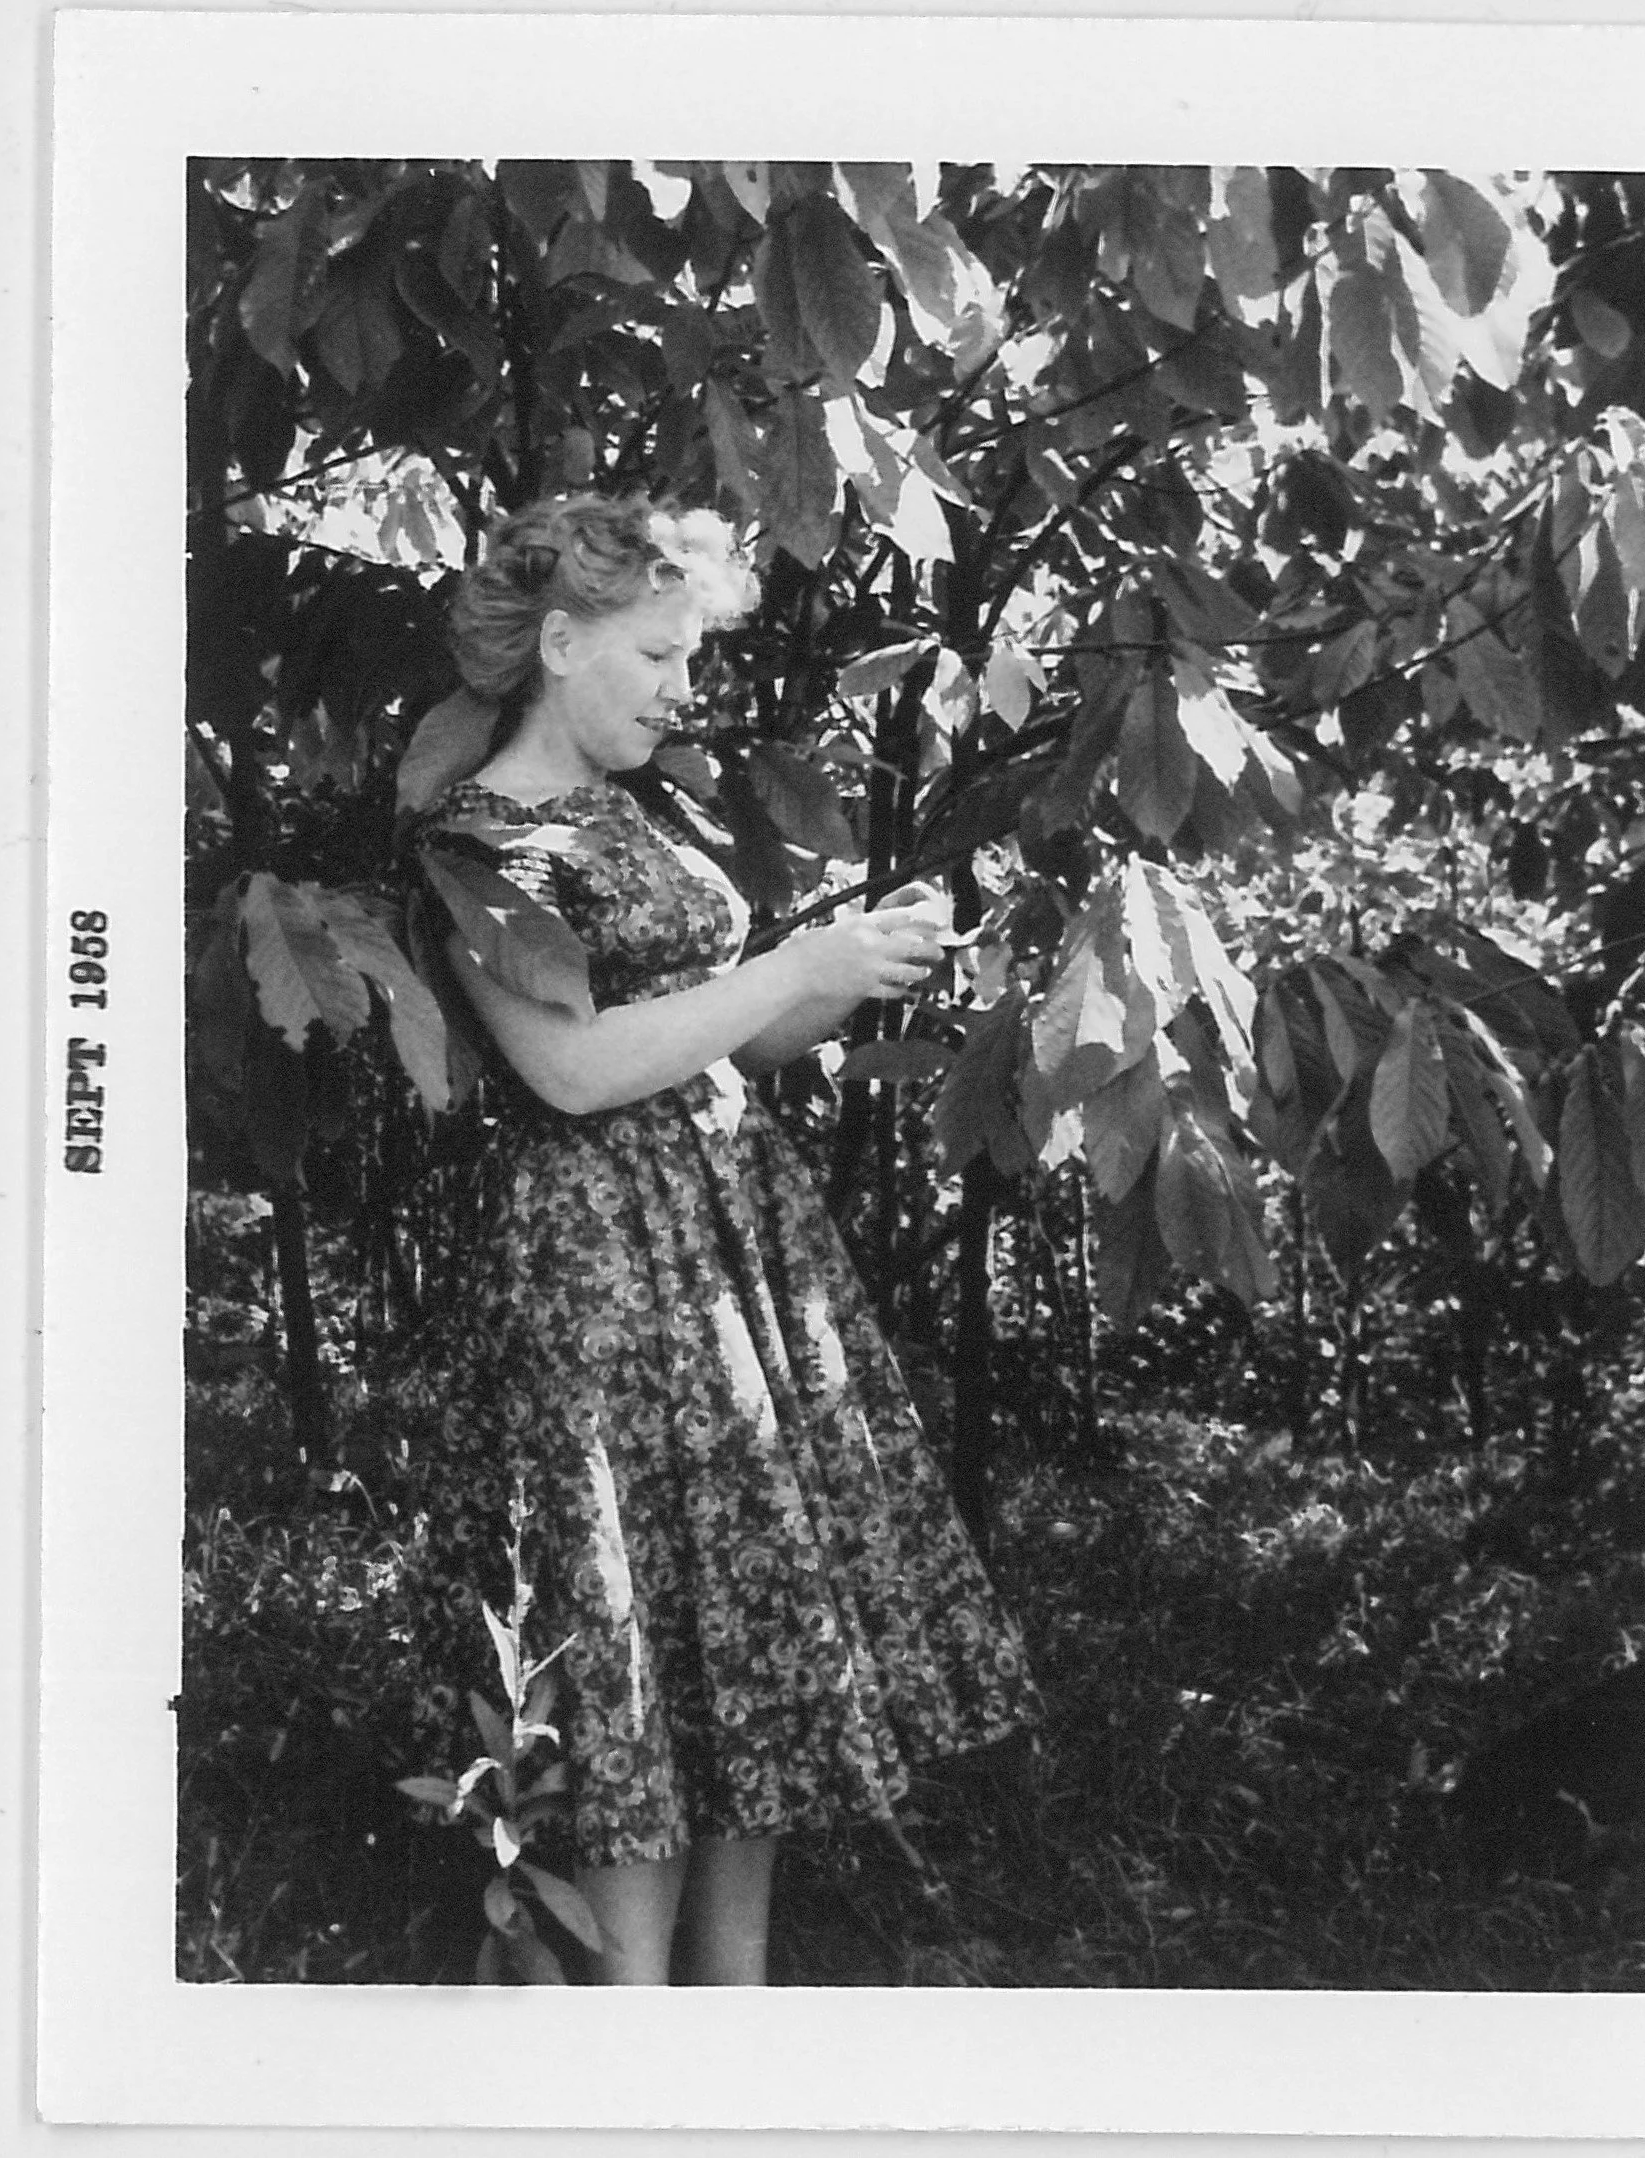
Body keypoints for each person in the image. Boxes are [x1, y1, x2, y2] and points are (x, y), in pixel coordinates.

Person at [401, 491, 1040, 1985]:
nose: (688, 692)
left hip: (728, 1262)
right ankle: (634, 2021)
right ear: (562, 643)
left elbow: (729, 1040)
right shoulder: (476, 840)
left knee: (741, 1623)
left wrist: (856, 965)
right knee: (631, 1636)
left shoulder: (635, 811)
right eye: (663, 659)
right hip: (597, 1279)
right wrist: (784, 973)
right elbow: (569, 1069)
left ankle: (731, 2003)